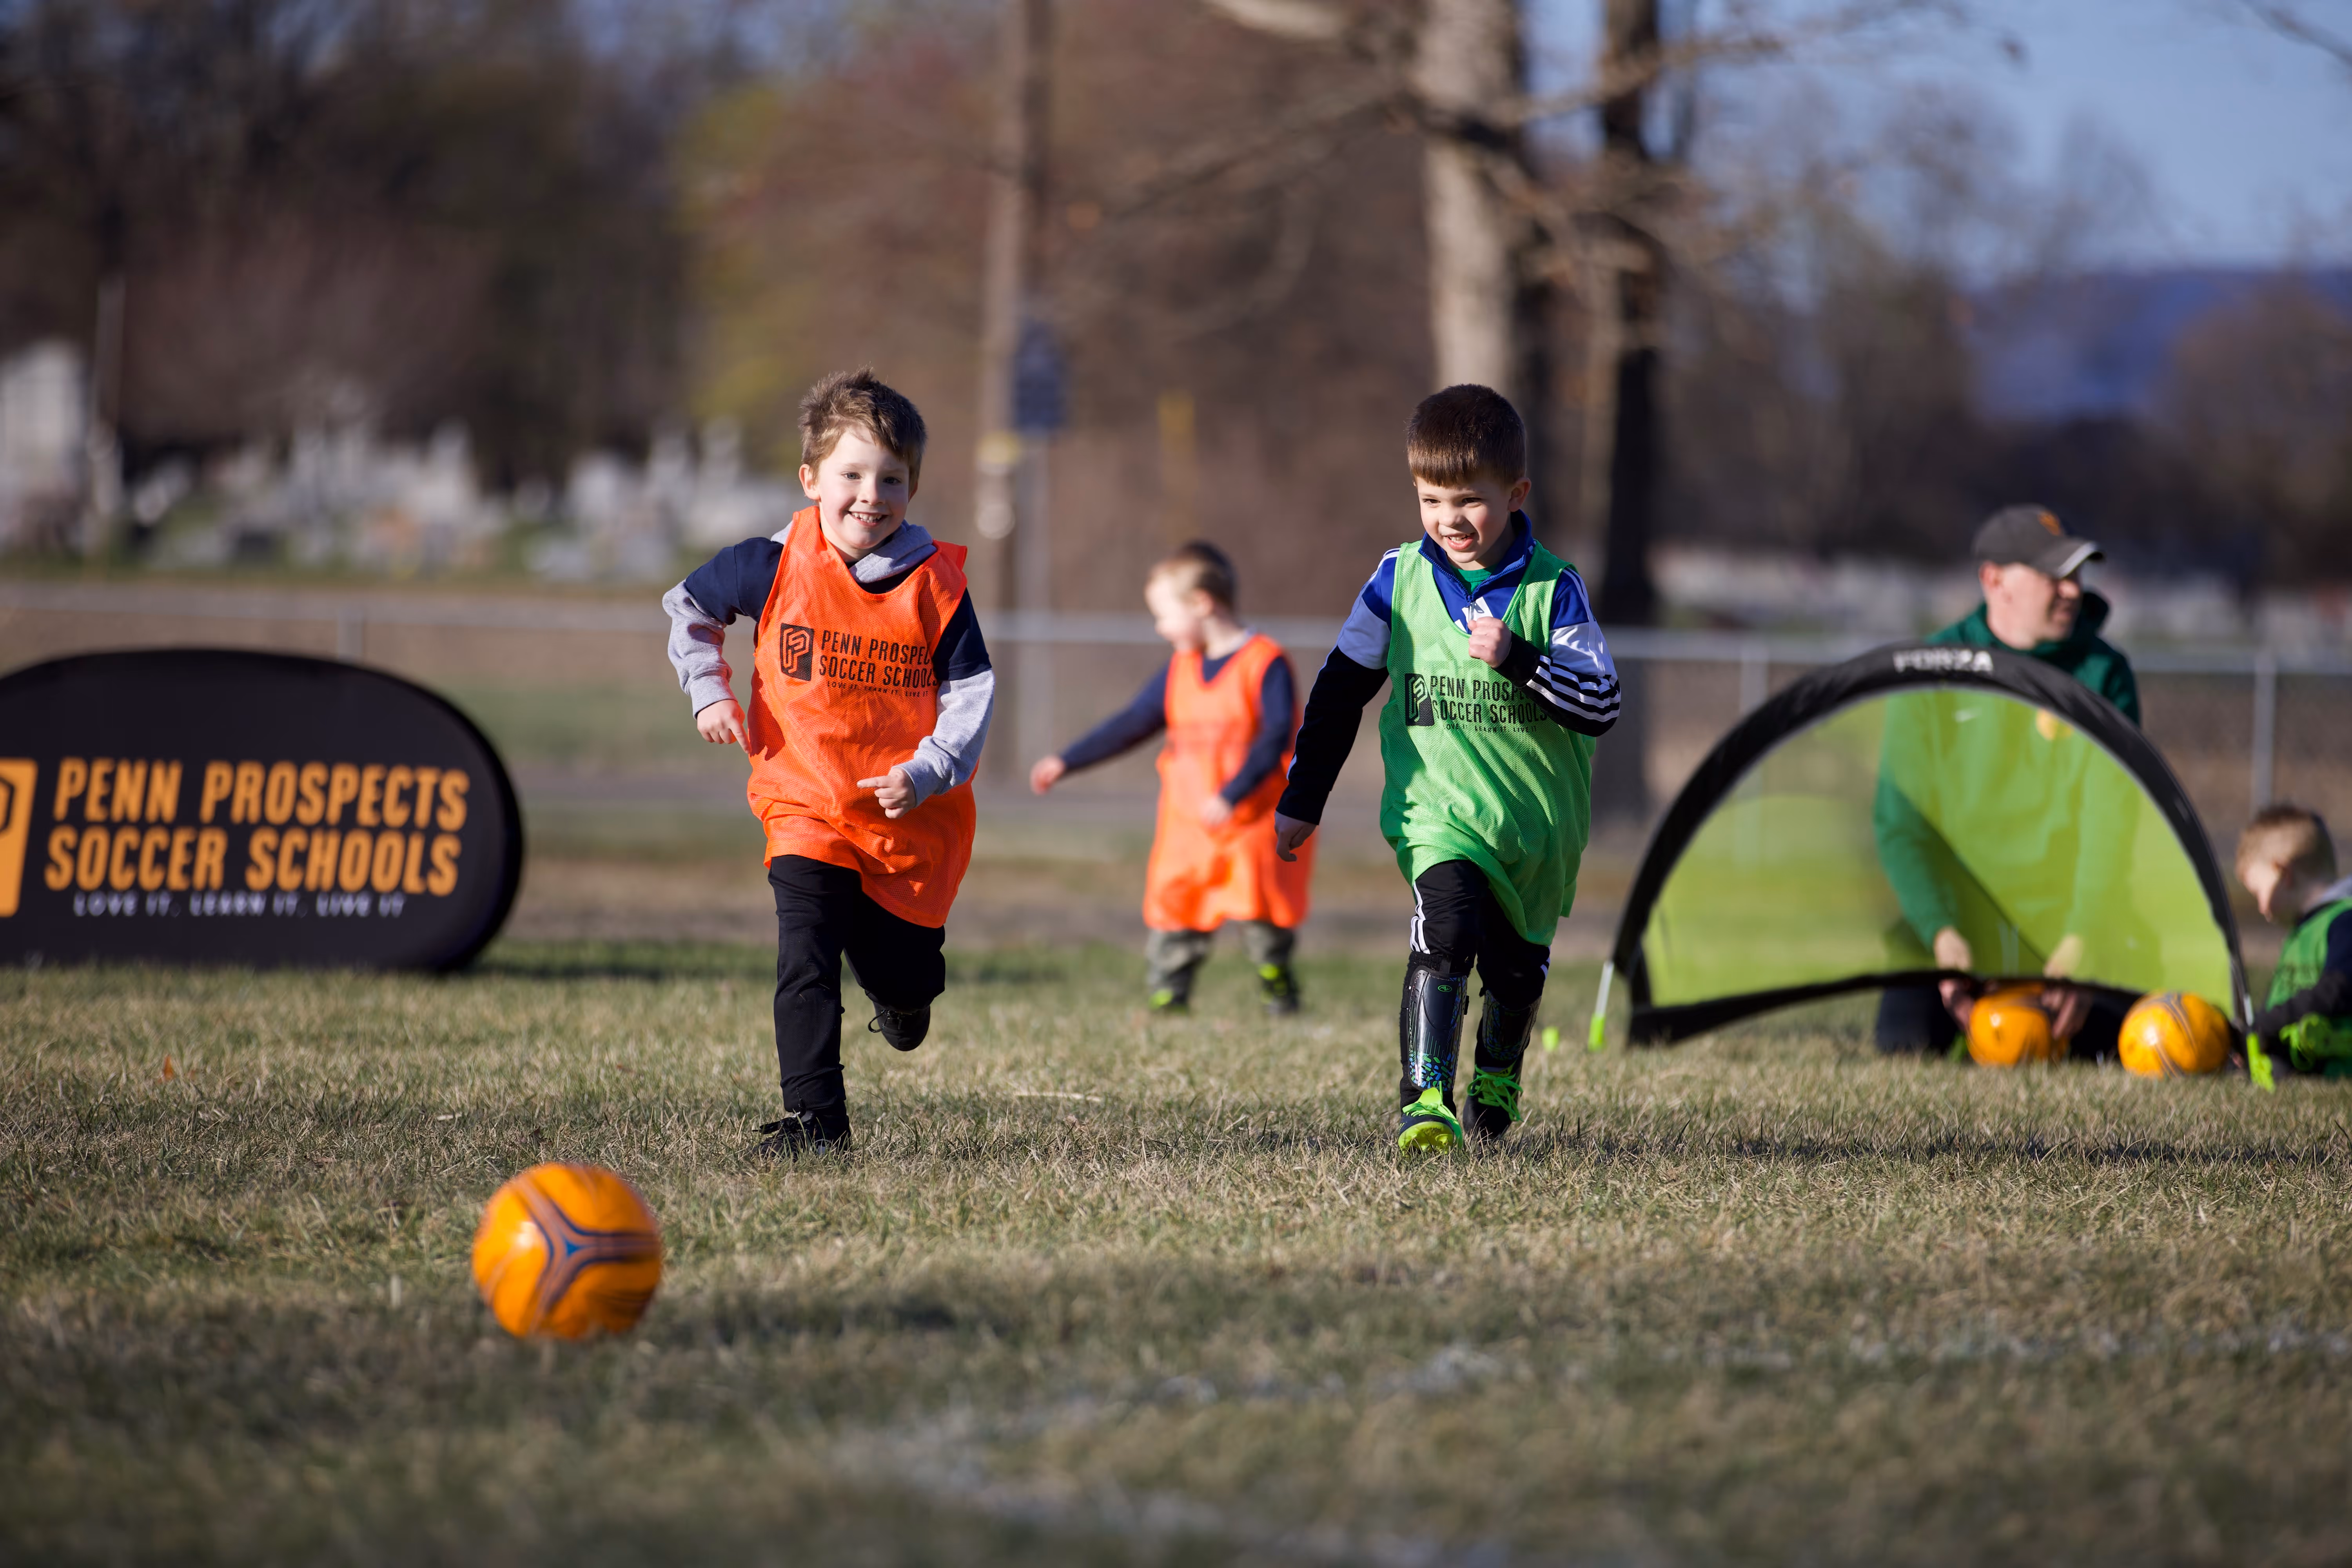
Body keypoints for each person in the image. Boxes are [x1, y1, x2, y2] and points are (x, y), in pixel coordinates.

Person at [1274, 384, 1620, 1151]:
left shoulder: (1554, 589)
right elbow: (1338, 692)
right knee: (1447, 926)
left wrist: (1520, 657)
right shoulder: (1395, 582)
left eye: (1469, 500)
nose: (1449, 520)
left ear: (1517, 493)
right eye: (1431, 499)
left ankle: (1497, 1072)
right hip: (1438, 814)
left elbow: (1601, 703)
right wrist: (1305, 796)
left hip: (1535, 832)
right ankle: (1424, 1097)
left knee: (1516, 973)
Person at [662, 369, 993, 1157]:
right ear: (811, 478)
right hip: (803, 801)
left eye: (892, 479)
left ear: (913, 487)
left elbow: (971, 687)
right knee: (804, 957)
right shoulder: (769, 563)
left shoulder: (934, 582)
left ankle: (905, 1000)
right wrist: (709, 691)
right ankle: (817, 1122)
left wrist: (929, 767)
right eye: (851, 474)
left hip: (902, 814)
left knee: (903, 972)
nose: (870, 495)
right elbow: (689, 608)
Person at [1873, 504, 2141, 1058]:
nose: (2072, 590)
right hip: (1958, 924)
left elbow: (2111, 820)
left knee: (2135, 1043)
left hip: (2069, 923)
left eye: (2078, 575)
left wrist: (2082, 941)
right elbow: (1901, 825)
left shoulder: (2104, 675)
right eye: (2054, 576)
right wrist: (1943, 934)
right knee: (1903, 1047)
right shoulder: (1934, 670)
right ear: (1994, 580)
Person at [1029, 543, 1312, 1015]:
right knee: (1175, 906)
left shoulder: (1265, 662)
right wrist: (1068, 760)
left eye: (1164, 615)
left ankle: (1275, 978)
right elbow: (1134, 721)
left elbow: (1277, 736)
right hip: (1188, 822)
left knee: (1260, 909)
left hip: (1250, 819)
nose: (1160, 628)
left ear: (1202, 603)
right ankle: (1169, 993)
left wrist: (1234, 791)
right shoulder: (1181, 668)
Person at [2237, 804, 2352, 1079]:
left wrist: (2268, 1023)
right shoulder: (2301, 931)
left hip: (2326, 1064)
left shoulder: (2344, 922)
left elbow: (2337, 990)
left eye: (2259, 892)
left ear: (2283, 874)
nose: (2262, 908)